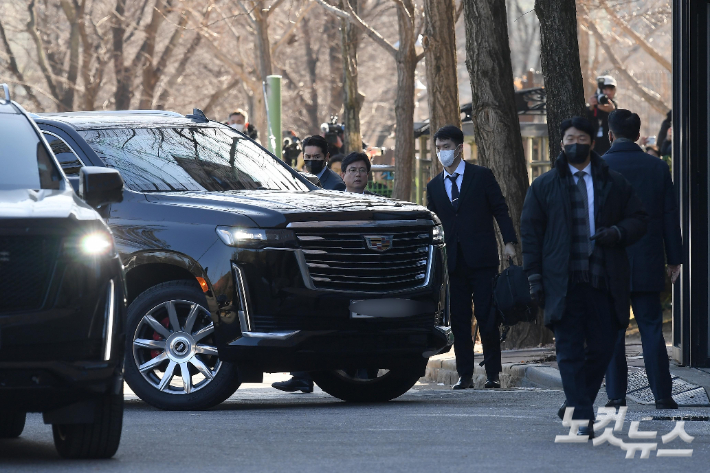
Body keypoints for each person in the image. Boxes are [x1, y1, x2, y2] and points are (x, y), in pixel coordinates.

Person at [521, 116, 647, 437]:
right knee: (569, 349)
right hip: (561, 281)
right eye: (569, 139)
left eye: (581, 139)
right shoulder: (544, 186)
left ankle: (575, 404)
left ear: (593, 142)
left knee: (604, 346)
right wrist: (534, 277)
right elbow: (531, 235)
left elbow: (639, 219)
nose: (574, 144)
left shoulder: (613, 182)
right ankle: (582, 418)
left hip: (602, 279)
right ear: (561, 143)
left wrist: (618, 232)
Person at [602, 109, 682, 410]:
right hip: (648, 259)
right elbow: (669, 216)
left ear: (610, 134)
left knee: (614, 332)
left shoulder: (600, 167)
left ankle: (616, 396)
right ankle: (662, 395)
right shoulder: (657, 167)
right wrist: (674, 259)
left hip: (611, 263)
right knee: (651, 329)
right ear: (638, 135)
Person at [426, 125, 517, 390]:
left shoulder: (481, 176)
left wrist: (509, 242)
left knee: (488, 317)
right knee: (460, 320)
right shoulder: (434, 186)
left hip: (482, 258)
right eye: (439, 148)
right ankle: (464, 374)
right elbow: (435, 223)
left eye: (447, 147)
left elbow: (500, 208)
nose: (443, 152)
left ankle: (493, 373)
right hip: (453, 263)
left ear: (459, 148)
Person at [584, 75, 618, 155]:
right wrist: (590, 109)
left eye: (611, 89)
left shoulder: (615, 107)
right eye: (605, 89)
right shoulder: (593, 105)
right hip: (592, 148)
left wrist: (612, 112)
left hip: (609, 148)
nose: (608, 92)